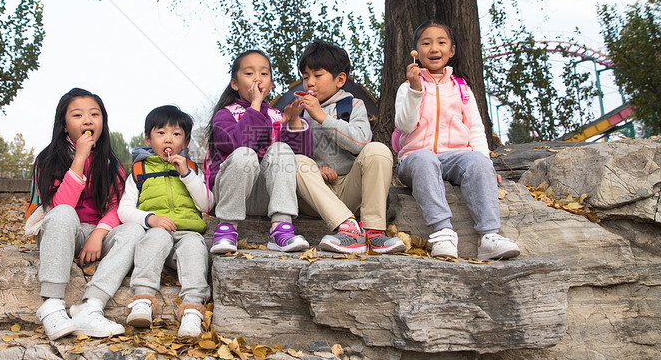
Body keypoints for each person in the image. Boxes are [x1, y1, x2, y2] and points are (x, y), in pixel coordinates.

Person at [394, 20, 520, 260]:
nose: (434, 48)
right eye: (426, 43)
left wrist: (486, 165)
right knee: (424, 158)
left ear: (451, 51)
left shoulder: (461, 88)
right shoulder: (406, 88)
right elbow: (405, 125)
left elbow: (474, 129)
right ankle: (442, 231)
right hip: (415, 158)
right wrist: (415, 90)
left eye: (441, 43)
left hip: (455, 157)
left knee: (478, 162)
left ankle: (489, 236)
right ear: (415, 52)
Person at [27, 88, 145, 340]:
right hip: (58, 229)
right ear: (64, 124)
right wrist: (79, 158)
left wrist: (99, 234)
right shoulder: (47, 159)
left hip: (95, 232)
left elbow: (117, 206)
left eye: (95, 114)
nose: (88, 120)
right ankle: (51, 304)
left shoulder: (110, 162)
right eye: (78, 115)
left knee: (134, 230)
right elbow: (59, 206)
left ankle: (90, 307)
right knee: (64, 214)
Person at [295, 40, 406, 255]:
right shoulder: (300, 112)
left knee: (378, 150)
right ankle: (348, 229)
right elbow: (297, 153)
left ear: (340, 79)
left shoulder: (353, 105)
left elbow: (360, 142)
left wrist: (322, 118)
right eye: (305, 76)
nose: (310, 82)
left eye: (317, 76)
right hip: (316, 197)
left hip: (349, 188)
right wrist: (316, 170)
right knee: (295, 162)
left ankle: (374, 232)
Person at [118, 105, 213, 337]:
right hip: (156, 231)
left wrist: (187, 175)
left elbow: (207, 204)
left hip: (187, 231)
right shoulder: (140, 171)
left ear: (186, 142)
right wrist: (150, 219)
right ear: (148, 139)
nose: (168, 139)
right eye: (160, 133)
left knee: (193, 247)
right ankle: (142, 299)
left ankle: (192, 308)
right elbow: (124, 210)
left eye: (176, 134)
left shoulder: (191, 169)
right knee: (155, 238)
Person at [206, 49, 312, 253]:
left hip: (264, 197)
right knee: (245, 154)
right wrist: (255, 105)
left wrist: (294, 121)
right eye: (249, 73)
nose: (257, 79)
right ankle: (227, 228)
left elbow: (299, 156)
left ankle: (281, 227)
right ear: (235, 84)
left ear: (271, 83)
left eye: (264, 74)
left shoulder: (276, 115)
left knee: (281, 149)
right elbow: (240, 143)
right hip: (231, 193)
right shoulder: (224, 115)